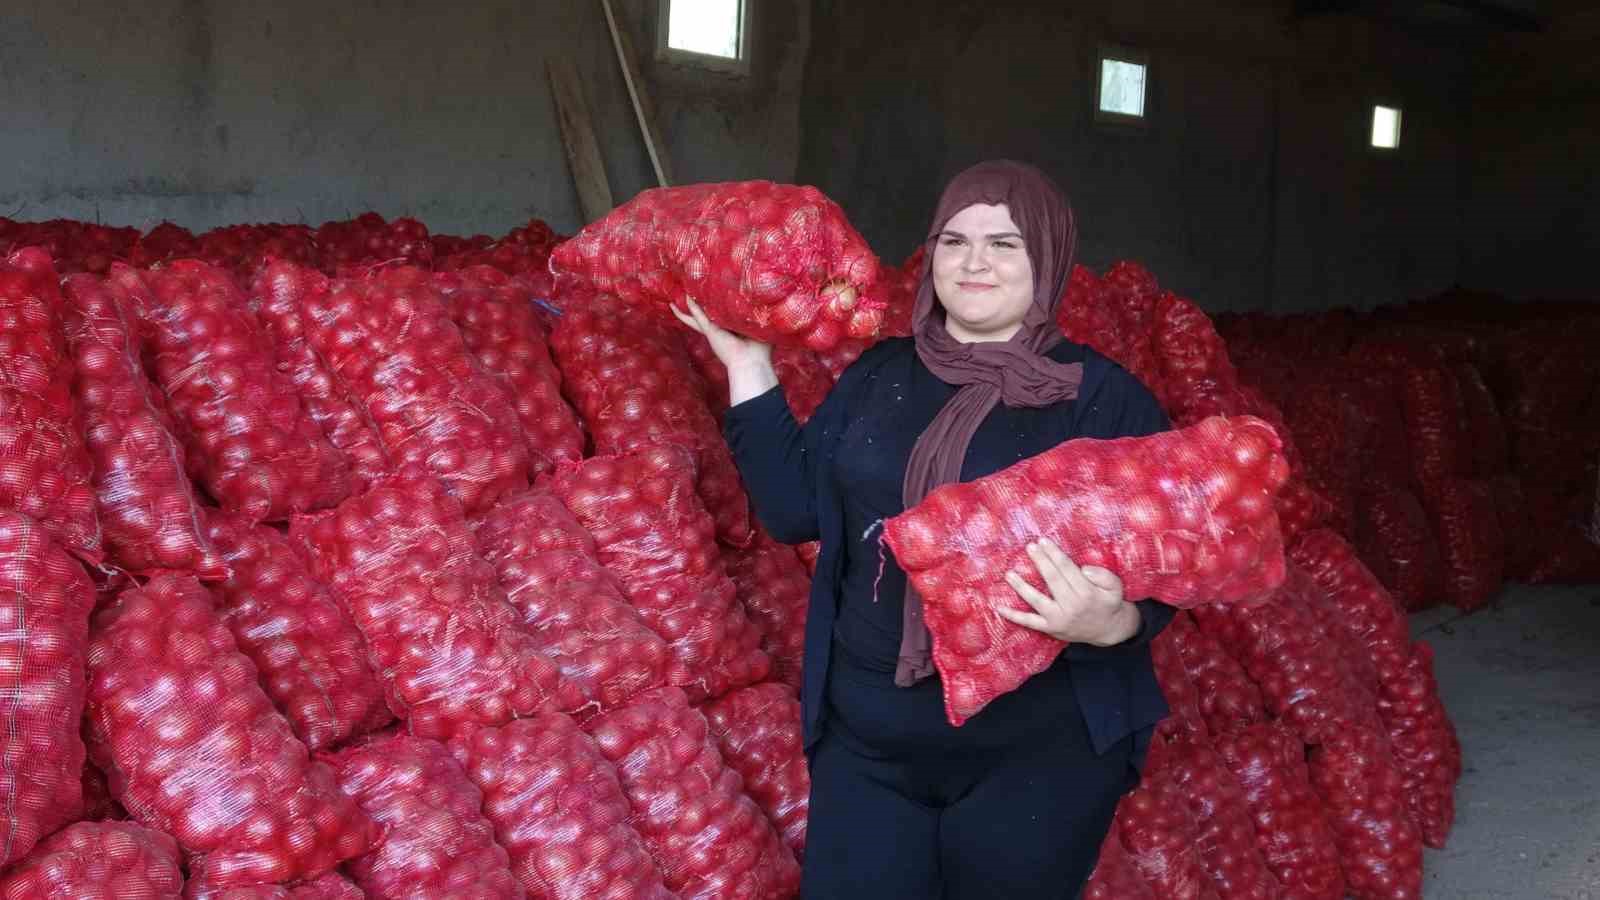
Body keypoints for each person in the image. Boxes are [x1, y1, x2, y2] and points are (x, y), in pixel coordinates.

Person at [674, 160, 1174, 899]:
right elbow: (792, 509)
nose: (974, 262)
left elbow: (1176, 558)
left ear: (1049, 254)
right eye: (954, 240)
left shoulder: (1103, 402)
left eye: (1005, 244)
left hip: (1037, 753)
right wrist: (748, 366)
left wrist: (1116, 621)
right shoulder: (881, 377)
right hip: (871, 744)